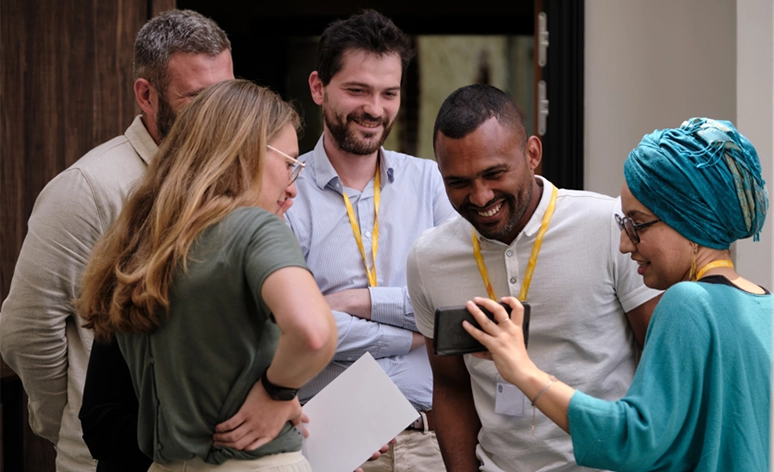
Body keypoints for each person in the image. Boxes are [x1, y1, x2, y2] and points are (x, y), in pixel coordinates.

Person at [464, 117, 771, 471]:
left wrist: (521, 369)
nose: (625, 244)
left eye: (637, 223)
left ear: (689, 220)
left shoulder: (688, 302)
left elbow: (630, 440)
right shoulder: (762, 304)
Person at [0, 9, 233, 472]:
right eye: (197, 99)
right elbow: (27, 330)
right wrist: (66, 423)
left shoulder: (233, 181)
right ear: (146, 95)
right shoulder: (87, 188)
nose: (218, 116)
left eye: (226, 96)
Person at [76, 79, 337, 471]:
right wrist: (276, 391)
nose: (292, 188)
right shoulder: (255, 227)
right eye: (289, 164)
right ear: (243, 152)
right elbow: (315, 333)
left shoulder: (138, 243)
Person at [405, 84, 661, 472]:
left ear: (532, 154)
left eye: (494, 174)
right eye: (458, 182)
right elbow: (452, 388)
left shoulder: (609, 228)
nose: (479, 196)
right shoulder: (429, 258)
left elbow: (660, 365)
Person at [280, 10, 455, 471]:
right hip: (328, 448)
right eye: (357, 90)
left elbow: (458, 307)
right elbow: (291, 328)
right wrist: (417, 333)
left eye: (388, 93)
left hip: (427, 444)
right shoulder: (284, 192)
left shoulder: (431, 183)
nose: (375, 109)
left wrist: (353, 302)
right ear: (319, 88)